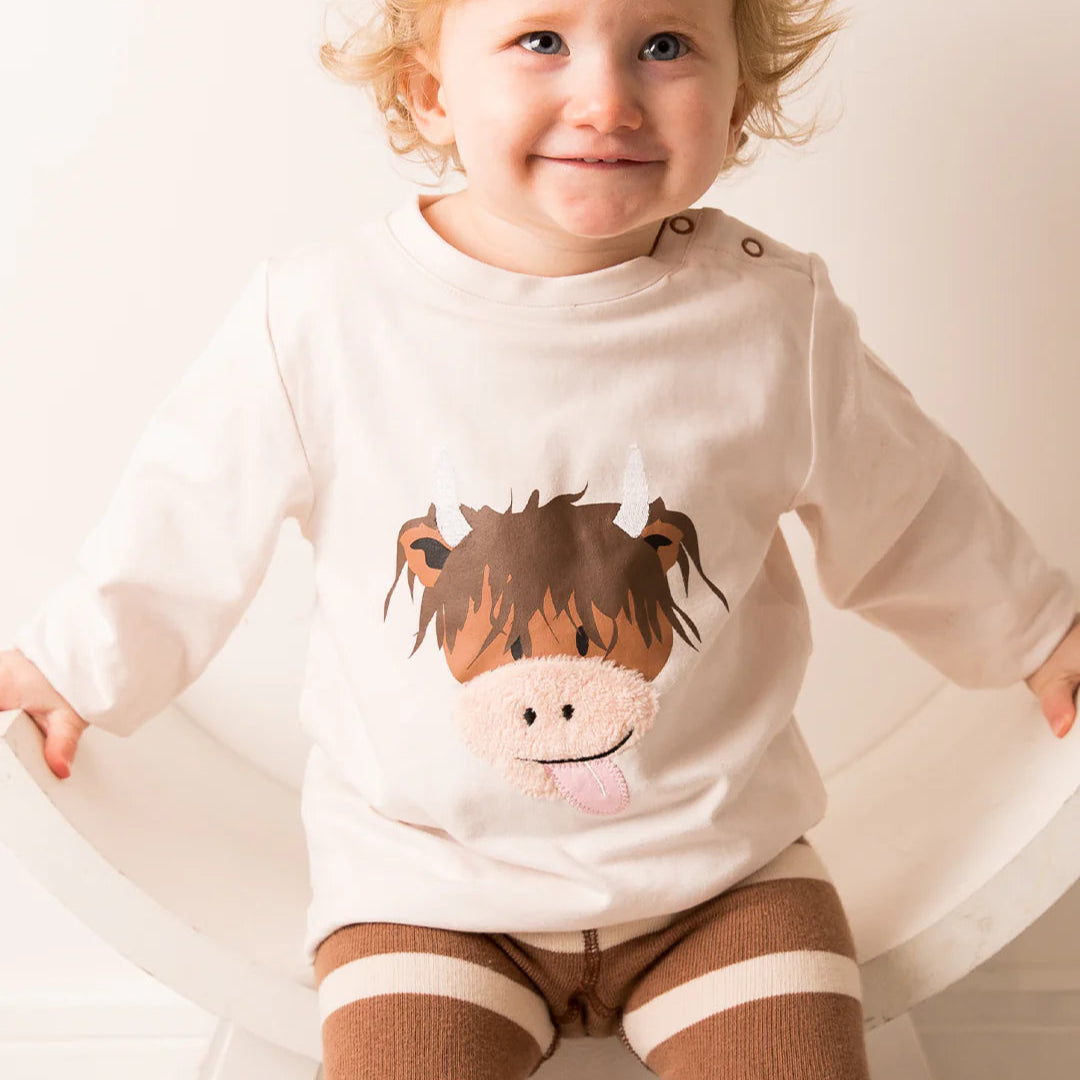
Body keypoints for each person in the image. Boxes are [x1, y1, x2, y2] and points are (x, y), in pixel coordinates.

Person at [4, 0, 1080, 1076]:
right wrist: (72, 668)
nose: (606, 100)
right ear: (430, 92)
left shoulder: (769, 318)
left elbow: (909, 507)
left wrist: (1039, 631)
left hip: (723, 874)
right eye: (542, 41)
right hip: (427, 888)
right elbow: (187, 515)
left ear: (738, 98)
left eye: (664, 45)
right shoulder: (327, 317)